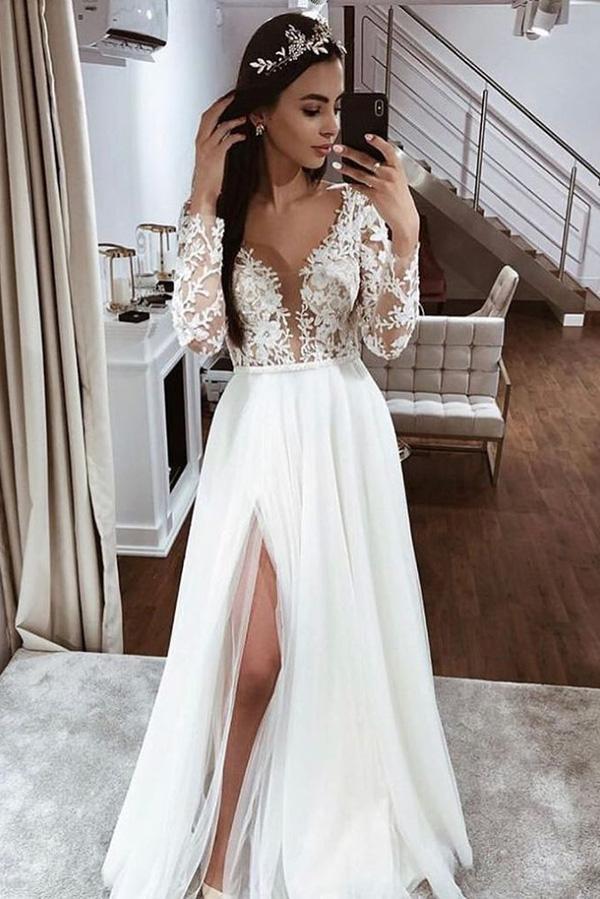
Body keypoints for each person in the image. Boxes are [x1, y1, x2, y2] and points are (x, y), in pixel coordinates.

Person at [101, 12, 473, 899]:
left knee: (335, 642)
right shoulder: (226, 216)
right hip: (259, 434)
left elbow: (386, 340)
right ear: (260, 111)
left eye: (337, 106)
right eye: (312, 107)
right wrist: (199, 197)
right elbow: (201, 334)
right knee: (256, 656)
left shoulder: (357, 212)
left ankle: (317, 807)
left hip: (343, 435)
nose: (332, 125)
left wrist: (405, 234)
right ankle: (220, 851)